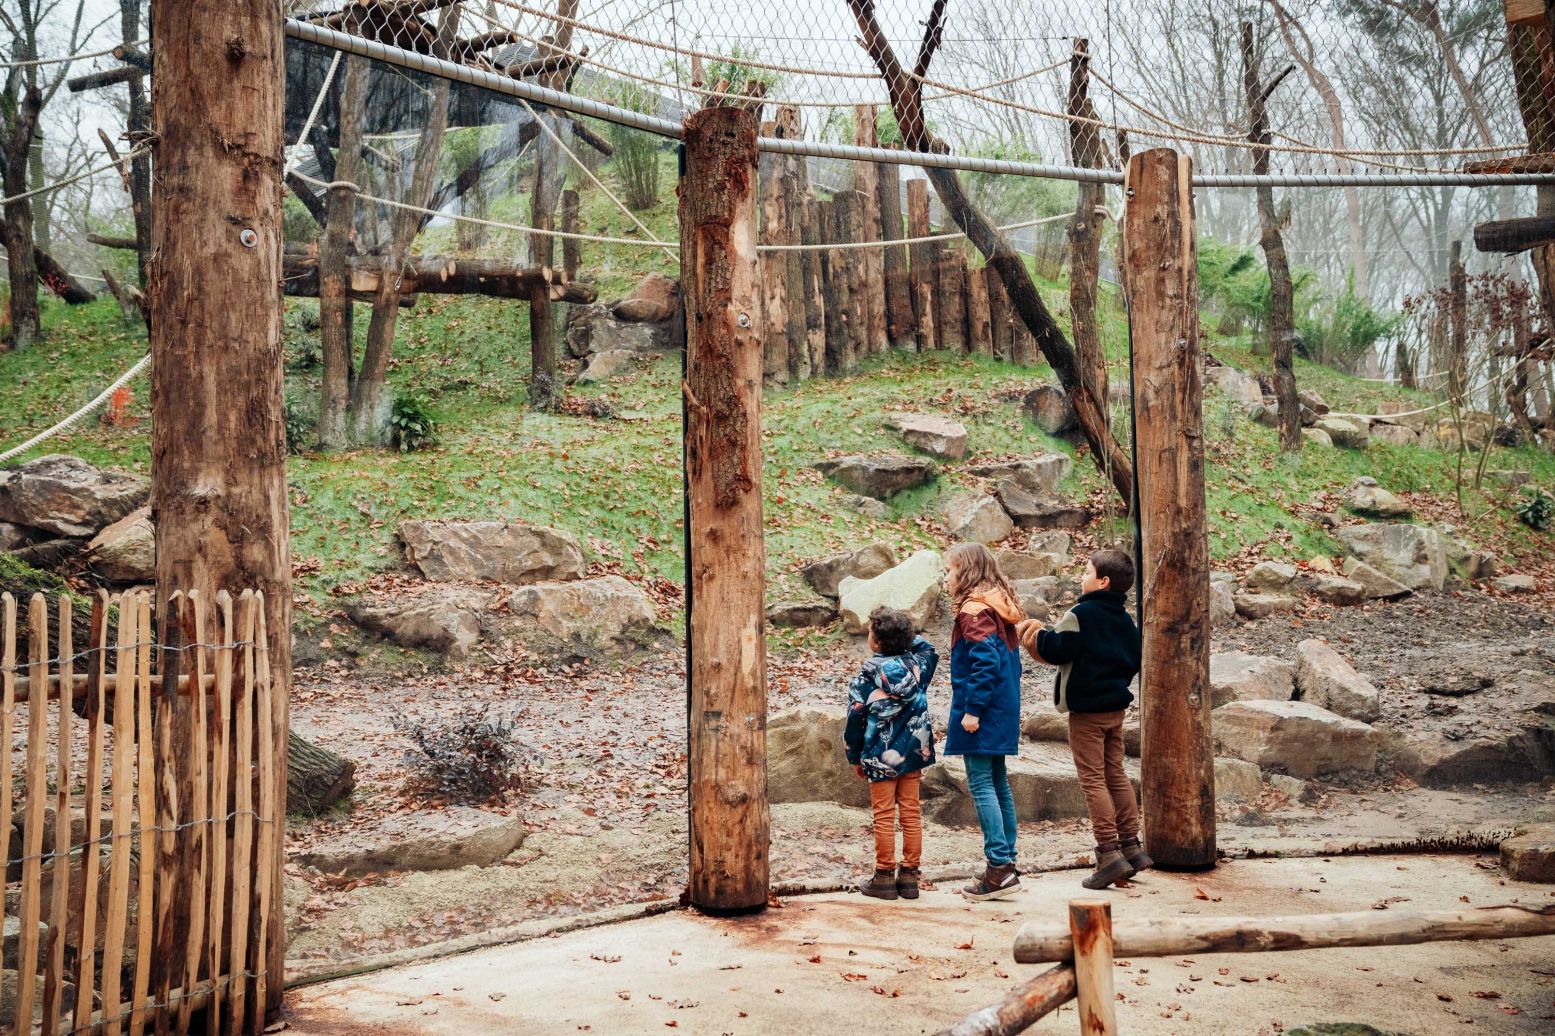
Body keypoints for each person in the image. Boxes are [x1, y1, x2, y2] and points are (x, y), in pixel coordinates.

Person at [1017, 548, 1146, 890]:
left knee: (1092, 781)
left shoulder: (1080, 614)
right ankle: (1131, 846)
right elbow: (1133, 658)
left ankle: (1108, 853)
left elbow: (1057, 649)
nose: (1081, 577)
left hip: (1086, 715)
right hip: (1115, 711)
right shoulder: (1126, 620)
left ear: (1102, 582)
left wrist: (1035, 632)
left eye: (1086, 572)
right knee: (1115, 774)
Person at [943, 543, 1027, 902]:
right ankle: (1006, 860)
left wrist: (973, 710)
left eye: (950, 570)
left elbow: (985, 663)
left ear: (966, 571)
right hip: (1003, 707)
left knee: (981, 783)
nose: (946, 578)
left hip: (983, 711)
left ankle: (998, 867)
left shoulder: (974, 610)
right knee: (997, 781)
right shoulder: (997, 605)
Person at [844, 606, 939, 901]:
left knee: (884, 815)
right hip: (913, 752)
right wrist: (907, 637)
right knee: (911, 812)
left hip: (879, 754)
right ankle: (909, 876)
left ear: (877, 642)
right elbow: (930, 649)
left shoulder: (866, 676)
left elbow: (854, 720)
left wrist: (854, 757)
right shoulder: (918, 667)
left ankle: (884, 876)